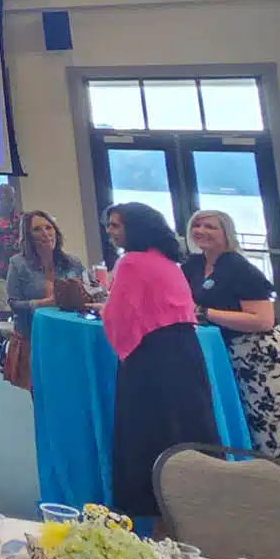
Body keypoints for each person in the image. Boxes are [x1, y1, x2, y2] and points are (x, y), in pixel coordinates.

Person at [101, 202, 219, 521]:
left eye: (116, 225)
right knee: (183, 427)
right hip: (185, 351)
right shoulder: (168, 262)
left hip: (152, 356)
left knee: (148, 431)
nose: (110, 232)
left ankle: (154, 509)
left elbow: (119, 317)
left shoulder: (131, 262)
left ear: (135, 228)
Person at [185, 210, 280, 471]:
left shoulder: (238, 267)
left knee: (274, 428)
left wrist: (205, 313)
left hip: (260, 357)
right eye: (197, 225)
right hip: (226, 355)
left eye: (210, 227)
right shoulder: (193, 266)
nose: (201, 231)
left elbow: (262, 320)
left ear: (226, 233)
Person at [0, 211, 85, 392]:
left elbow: (86, 291)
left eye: (49, 227)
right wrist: (43, 303)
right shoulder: (18, 264)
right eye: (37, 229)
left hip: (68, 337)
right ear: (28, 236)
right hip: (34, 337)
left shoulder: (72, 262)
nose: (45, 233)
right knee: (40, 392)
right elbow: (14, 304)